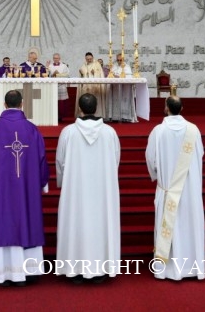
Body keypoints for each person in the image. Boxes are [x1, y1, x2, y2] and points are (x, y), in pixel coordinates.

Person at [0, 90, 49, 286]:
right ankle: (27, 271)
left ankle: (0, 271)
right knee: (26, 219)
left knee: (1, 218)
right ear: (22, 104)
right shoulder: (32, 130)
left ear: (4, 105)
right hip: (26, 190)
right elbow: (42, 160)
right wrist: (41, 181)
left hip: (1, 190)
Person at [56, 93, 120, 281]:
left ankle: (74, 269)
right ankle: (101, 268)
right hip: (102, 190)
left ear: (80, 108)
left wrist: (63, 183)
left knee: (75, 223)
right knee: (101, 223)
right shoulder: (109, 132)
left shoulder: (68, 132)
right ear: (96, 107)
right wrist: (107, 178)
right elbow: (115, 160)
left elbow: (60, 162)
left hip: (75, 190)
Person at [145, 96, 205, 280]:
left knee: (169, 228)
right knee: (189, 226)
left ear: (166, 108)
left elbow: (151, 159)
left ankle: (167, 269)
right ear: (182, 108)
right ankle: (192, 267)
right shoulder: (194, 130)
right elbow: (200, 155)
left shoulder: (159, 131)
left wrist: (158, 175)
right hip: (190, 190)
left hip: (168, 190)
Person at [108, 53, 136, 123]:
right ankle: (115, 116)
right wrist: (114, 75)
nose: (119, 62)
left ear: (123, 59)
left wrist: (121, 76)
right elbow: (111, 75)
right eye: (118, 60)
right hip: (116, 87)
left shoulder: (127, 67)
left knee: (124, 101)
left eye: (121, 60)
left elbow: (130, 76)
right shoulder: (114, 66)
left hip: (125, 88)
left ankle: (125, 117)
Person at [78, 52, 106, 118]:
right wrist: (81, 73)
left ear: (92, 57)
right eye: (87, 59)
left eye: (90, 59)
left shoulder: (97, 64)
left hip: (95, 86)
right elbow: (82, 75)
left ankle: (97, 115)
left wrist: (94, 73)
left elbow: (100, 74)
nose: (89, 60)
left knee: (95, 100)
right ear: (85, 59)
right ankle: (85, 114)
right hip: (86, 86)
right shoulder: (83, 65)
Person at [47, 53, 71, 121]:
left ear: (59, 58)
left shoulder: (64, 66)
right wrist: (51, 73)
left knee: (61, 102)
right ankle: (53, 115)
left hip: (61, 85)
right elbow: (47, 75)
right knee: (54, 101)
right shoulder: (50, 66)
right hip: (53, 86)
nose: (56, 59)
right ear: (53, 59)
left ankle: (60, 116)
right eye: (54, 58)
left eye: (57, 58)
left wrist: (58, 74)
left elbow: (67, 75)